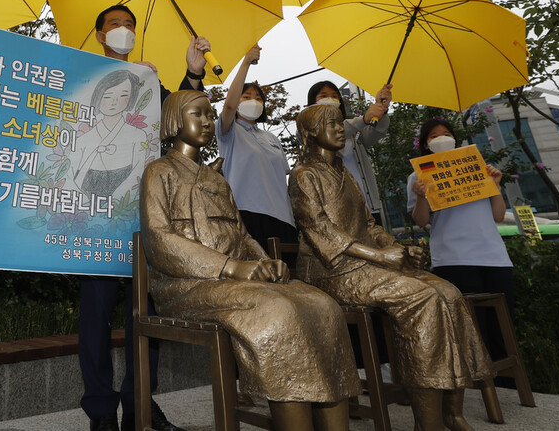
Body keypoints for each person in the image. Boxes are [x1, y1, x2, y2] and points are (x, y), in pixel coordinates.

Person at [142, 90, 360, 431]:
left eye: (209, 115)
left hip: (232, 281)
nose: (207, 121)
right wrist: (230, 267)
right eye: (197, 114)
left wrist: (263, 261)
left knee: (323, 305)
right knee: (277, 309)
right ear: (173, 120)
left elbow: (242, 235)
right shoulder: (158, 173)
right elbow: (159, 239)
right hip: (186, 285)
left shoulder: (217, 179)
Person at [289, 104, 493, 431]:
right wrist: (381, 258)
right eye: (331, 124)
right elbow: (320, 231)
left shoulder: (345, 172)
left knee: (449, 292)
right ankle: (427, 424)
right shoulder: (303, 175)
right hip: (332, 272)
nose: (341, 129)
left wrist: (398, 249)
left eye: (341, 123)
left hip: (364, 265)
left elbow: (369, 225)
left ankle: (452, 413)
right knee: (422, 298)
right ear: (311, 133)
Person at [80, 4, 206, 431]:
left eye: (130, 25)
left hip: (144, 219)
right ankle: (100, 412)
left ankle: (140, 405)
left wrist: (192, 74)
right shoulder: (78, 75)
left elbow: (178, 119)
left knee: (145, 314)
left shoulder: (148, 83)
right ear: (99, 35)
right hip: (93, 219)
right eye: (114, 25)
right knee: (95, 316)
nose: (123, 31)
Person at [408, 117, 512, 360]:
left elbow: (498, 215)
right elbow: (421, 220)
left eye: (446, 133)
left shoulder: (479, 167)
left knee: (504, 328)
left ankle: (507, 385)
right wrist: (421, 196)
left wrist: (495, 185)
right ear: (425, 143)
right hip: (453, 259)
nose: (442, 138)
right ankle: (479, 386)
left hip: (494, 258)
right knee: (471, 329)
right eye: (434, 135)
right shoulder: (418, 177)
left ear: (455, 139)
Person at [217, 45, 297, 255]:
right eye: (247, 96)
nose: (254, 100)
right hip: (247, 214)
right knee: (257, 281)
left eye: (259, 98)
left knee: (288, 280)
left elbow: (284, 180)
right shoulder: (229, 132)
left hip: (283, 217)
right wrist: (246, 63)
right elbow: (228, 108)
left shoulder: (272, 138)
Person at [306, 80, 392, 228]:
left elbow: (376, 132)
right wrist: (364, 119)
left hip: (367, 206)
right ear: (312, 102)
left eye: (335, 96)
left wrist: (381, 109)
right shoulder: (308, 129)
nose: (330, 99)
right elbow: (330, 132)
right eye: (324, 95)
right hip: (336, 208)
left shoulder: (353, 131)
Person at [72, 69, 149, 198]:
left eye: (123, 95)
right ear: (98, 96)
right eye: (107, 96)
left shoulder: (138, 135)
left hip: (121, 205)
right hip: (84, 204)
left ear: (131, 98)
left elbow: (137, 173)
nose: (114, 101)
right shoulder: (83, 140)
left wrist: (113, 204)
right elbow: (70, 176)